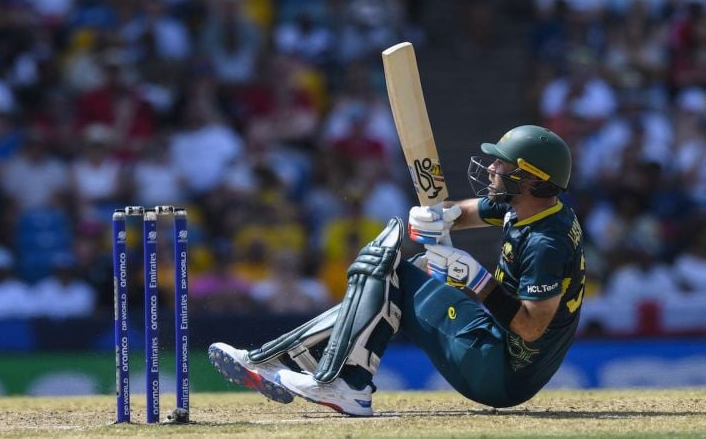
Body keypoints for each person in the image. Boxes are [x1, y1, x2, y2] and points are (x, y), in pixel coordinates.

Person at [208, 125, 585, 415]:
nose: (491, 167)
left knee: (388, 268)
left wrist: (477, 281)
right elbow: (472, 210)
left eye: (502, 163)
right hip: (501, 349)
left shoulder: (545, 243)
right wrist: (446, 216)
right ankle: (290, 362)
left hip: (502, 371)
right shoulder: (527, 206)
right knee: (411, 269)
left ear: (531, 179)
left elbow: (532, 328)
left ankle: (345, 383)